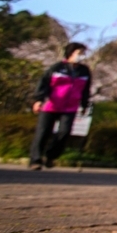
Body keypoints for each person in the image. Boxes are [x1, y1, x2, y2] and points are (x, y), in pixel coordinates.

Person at [29, 42, 92, 170]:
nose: (82, 56)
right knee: (43, 133)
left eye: (83, 53)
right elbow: (44, 83)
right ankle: (35, 160)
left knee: (64, 132)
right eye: (79, 53)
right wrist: (38, 99)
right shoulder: (57, 68)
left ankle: (51, 156)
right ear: (70, 53)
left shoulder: (84, 71)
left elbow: (86, 89)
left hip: (70, 107)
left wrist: (85, 104)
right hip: (51, 105)